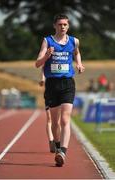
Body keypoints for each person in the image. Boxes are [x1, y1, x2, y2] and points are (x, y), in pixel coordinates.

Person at [35, 14, 85, 167]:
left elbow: (76, 52)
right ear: (55, 26)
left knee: (65, 120)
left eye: (65, 25)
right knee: (55, 123)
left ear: (68, 26)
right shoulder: (47, 41)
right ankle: (57, 146)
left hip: (67, 84)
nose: (63, 27)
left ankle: (63, 152)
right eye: (60, 24)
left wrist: (79, 64)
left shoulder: (74, 41)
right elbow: (37, 64)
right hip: (52, 85)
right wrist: (47, 56)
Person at [39, 67, 60, 153]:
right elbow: (43, 68)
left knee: (57, 120)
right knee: (50, 118)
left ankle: (56, 140)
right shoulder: (49, 56)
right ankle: (51, 141)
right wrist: (42, 79)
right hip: (50, 92)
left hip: (61, 91)